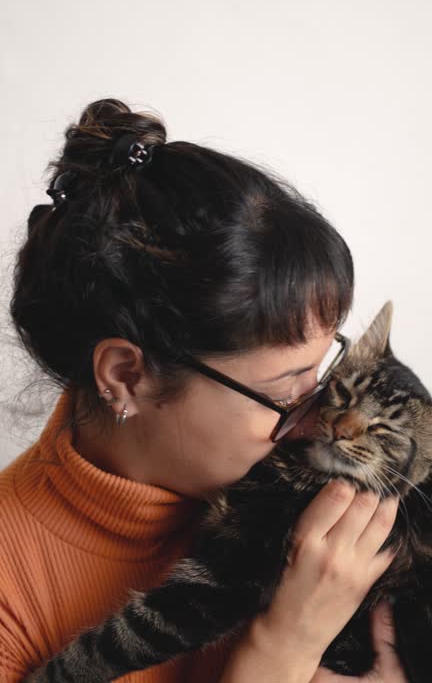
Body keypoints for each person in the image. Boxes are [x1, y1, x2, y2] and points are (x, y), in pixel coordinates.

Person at [1, 97, 406, 682]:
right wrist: (284, 648)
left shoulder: (309, 501)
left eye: (325, 376)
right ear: (125, 377)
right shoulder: (13, 586)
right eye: (285, 394)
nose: (319, 423)